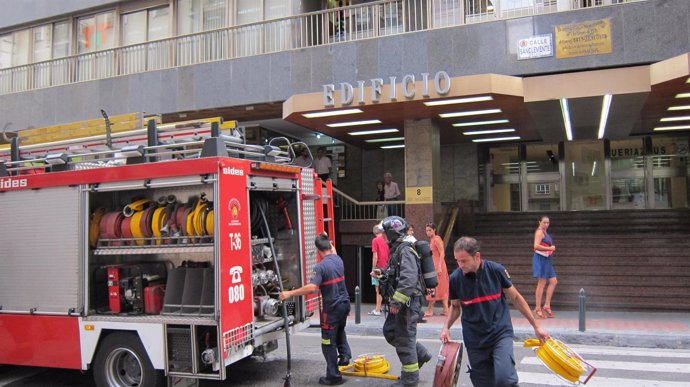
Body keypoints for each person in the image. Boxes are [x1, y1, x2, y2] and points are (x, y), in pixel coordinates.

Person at [440, 236, 549, 387]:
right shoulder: (455, 279)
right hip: (474, 340)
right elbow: (455, 307)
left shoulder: (496, 271)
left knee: (505, 380)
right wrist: (446, 328)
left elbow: (516, 298)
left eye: (463, 261)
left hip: (500, 334)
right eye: (457, 260)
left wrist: (536, 326)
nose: (460, 265)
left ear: (477, 256)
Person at [279, 234, 351, 385]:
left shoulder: (321, 267)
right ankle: (345, 355)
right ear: (330, 246)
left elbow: (312, 287)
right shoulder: (338, 260)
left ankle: (333, 376)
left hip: (332, 309)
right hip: (345, 305)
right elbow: (334, 250)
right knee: (339, 330)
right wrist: (327, 238)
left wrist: (289, 293)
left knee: (327, 342)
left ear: (318, 250)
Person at [377, 216, 432, 387]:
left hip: (407, 304)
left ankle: (409, 380)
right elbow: (397, 274)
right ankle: (421, 354)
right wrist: (383, 275)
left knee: (404, 339)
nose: (383, 235)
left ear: (393, 232)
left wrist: (396, 302)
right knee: (391, 331)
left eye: (385, 232)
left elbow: (408, 279)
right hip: (403, 304)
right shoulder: (398, 249)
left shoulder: (405, 250)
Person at [533, 215, 557, 319]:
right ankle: (538, 308)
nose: (546, 224)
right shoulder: (539, 232)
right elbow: (536, 246)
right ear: (539, 222)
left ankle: (546, 305)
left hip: (547, 259)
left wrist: (550, 249)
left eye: (548, 222)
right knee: (541, 283)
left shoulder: (545, 232)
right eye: (544, 222)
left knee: (553, 281)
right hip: (541, 259)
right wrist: (550, 247)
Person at [423, 223, 449, 317]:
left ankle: (430, 309)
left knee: (433, 286)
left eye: (430, 230)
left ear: (434, 230)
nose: (428, 232)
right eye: (426, 230)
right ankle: (446, 309)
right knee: (441, 286)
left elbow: (442, 253)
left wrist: (439, 266)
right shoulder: (432, 240)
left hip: (438, 266)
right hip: (436, 265)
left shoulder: (437, 239)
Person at [369, 224, 390, 316]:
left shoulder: (375, 240)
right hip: (387, 266)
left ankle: (377, 309)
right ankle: (381, 307)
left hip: (378, 267)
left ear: (374, 232)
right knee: (385, 288)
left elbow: (375, 256)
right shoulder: (387, 240)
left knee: (378, 289)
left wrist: (373, 268)